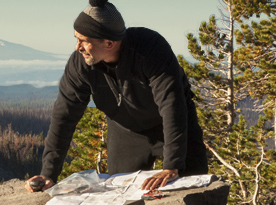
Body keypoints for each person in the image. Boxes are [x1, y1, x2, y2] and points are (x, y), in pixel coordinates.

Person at [25, 0, 208, 192]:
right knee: (122, 194)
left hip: (173, 126)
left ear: (110, 43)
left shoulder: (151, 50)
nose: (77, 47)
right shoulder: (80, 64)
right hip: (125, 130)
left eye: (84, 41)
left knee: (194, 187)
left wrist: (172, 165)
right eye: (76, 38)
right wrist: (48, 173)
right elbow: (64, 115)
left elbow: (172, 105)